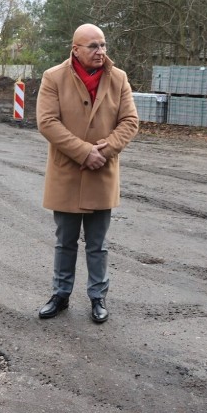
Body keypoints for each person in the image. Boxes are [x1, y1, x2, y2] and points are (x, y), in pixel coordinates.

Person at [36, 23, 139, 324]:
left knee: (98, 243)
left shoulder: (118, 78)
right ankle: (60, 294)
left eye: (104, 45)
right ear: (75, 49)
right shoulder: (53, 77)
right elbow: (47, 122)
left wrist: (106, 151)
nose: (101, 51)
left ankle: (98, 297)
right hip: (67, 172)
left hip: (102, 172)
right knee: (64, 241)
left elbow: (130, 121)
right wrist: (84, 152)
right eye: (93, 46)